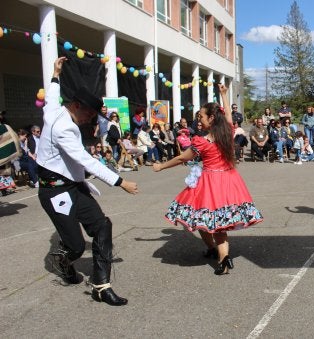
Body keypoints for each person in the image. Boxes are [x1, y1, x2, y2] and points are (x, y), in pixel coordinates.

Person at [36, 57, 138, 306]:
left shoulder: (54, 109)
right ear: (76, 105)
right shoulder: (64, 128)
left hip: (74, 187)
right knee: (76, 247)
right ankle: (63, 258)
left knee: (102, 226)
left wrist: (55, 74)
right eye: (89, 114)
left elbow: (51, 95)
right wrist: (119, 181)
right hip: (54, 192)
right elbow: (85, 160)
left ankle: (101, 286)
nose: (89, 119)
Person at [153, 84, 263, 275]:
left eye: (201, 117)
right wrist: (224, 94)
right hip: (230, 180)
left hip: (211, 182)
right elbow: (228, 115)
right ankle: (221, 256)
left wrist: (160, 166)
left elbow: (182, 158)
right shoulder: (227, 131)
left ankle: (218, 253)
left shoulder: (201, 142)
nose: (199, 120)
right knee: (219, 223)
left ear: (211, 118)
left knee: (201, 219)